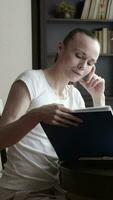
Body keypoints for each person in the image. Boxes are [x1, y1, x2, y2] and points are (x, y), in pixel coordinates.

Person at [0, 28, 105, 200]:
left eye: (90, 63)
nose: (83, 66)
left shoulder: (74, 96)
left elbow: (92, 153)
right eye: (79, 55)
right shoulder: (31, 81)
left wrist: (98, 99)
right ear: (60, 48)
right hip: (21, 192)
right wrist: (37, 115)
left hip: (60, 189)